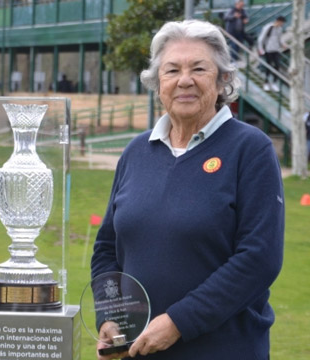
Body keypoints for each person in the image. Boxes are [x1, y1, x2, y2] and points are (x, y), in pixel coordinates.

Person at [91, 20, 284, 359]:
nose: (184, 80)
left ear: (223, 79)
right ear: (157, 82)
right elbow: (107, 247)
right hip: (140, 351)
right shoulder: (136, 152)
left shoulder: (250, 149)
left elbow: (260, 258)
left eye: (199, 68)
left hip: (225, 350)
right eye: (172, 70)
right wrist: (110, 315)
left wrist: (179, 322)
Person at [257, 16, 287, 92]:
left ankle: (274, 83)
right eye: (281, 22)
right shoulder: (269, 27)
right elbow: (261, 39)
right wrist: (261, 49)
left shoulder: (280, 29)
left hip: (276, 50)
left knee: (277, 66)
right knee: (268, 66)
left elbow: (279, 39)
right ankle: (266, 83)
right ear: (278, 21)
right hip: (268, 50)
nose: (282, 24)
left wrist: (283, 44)